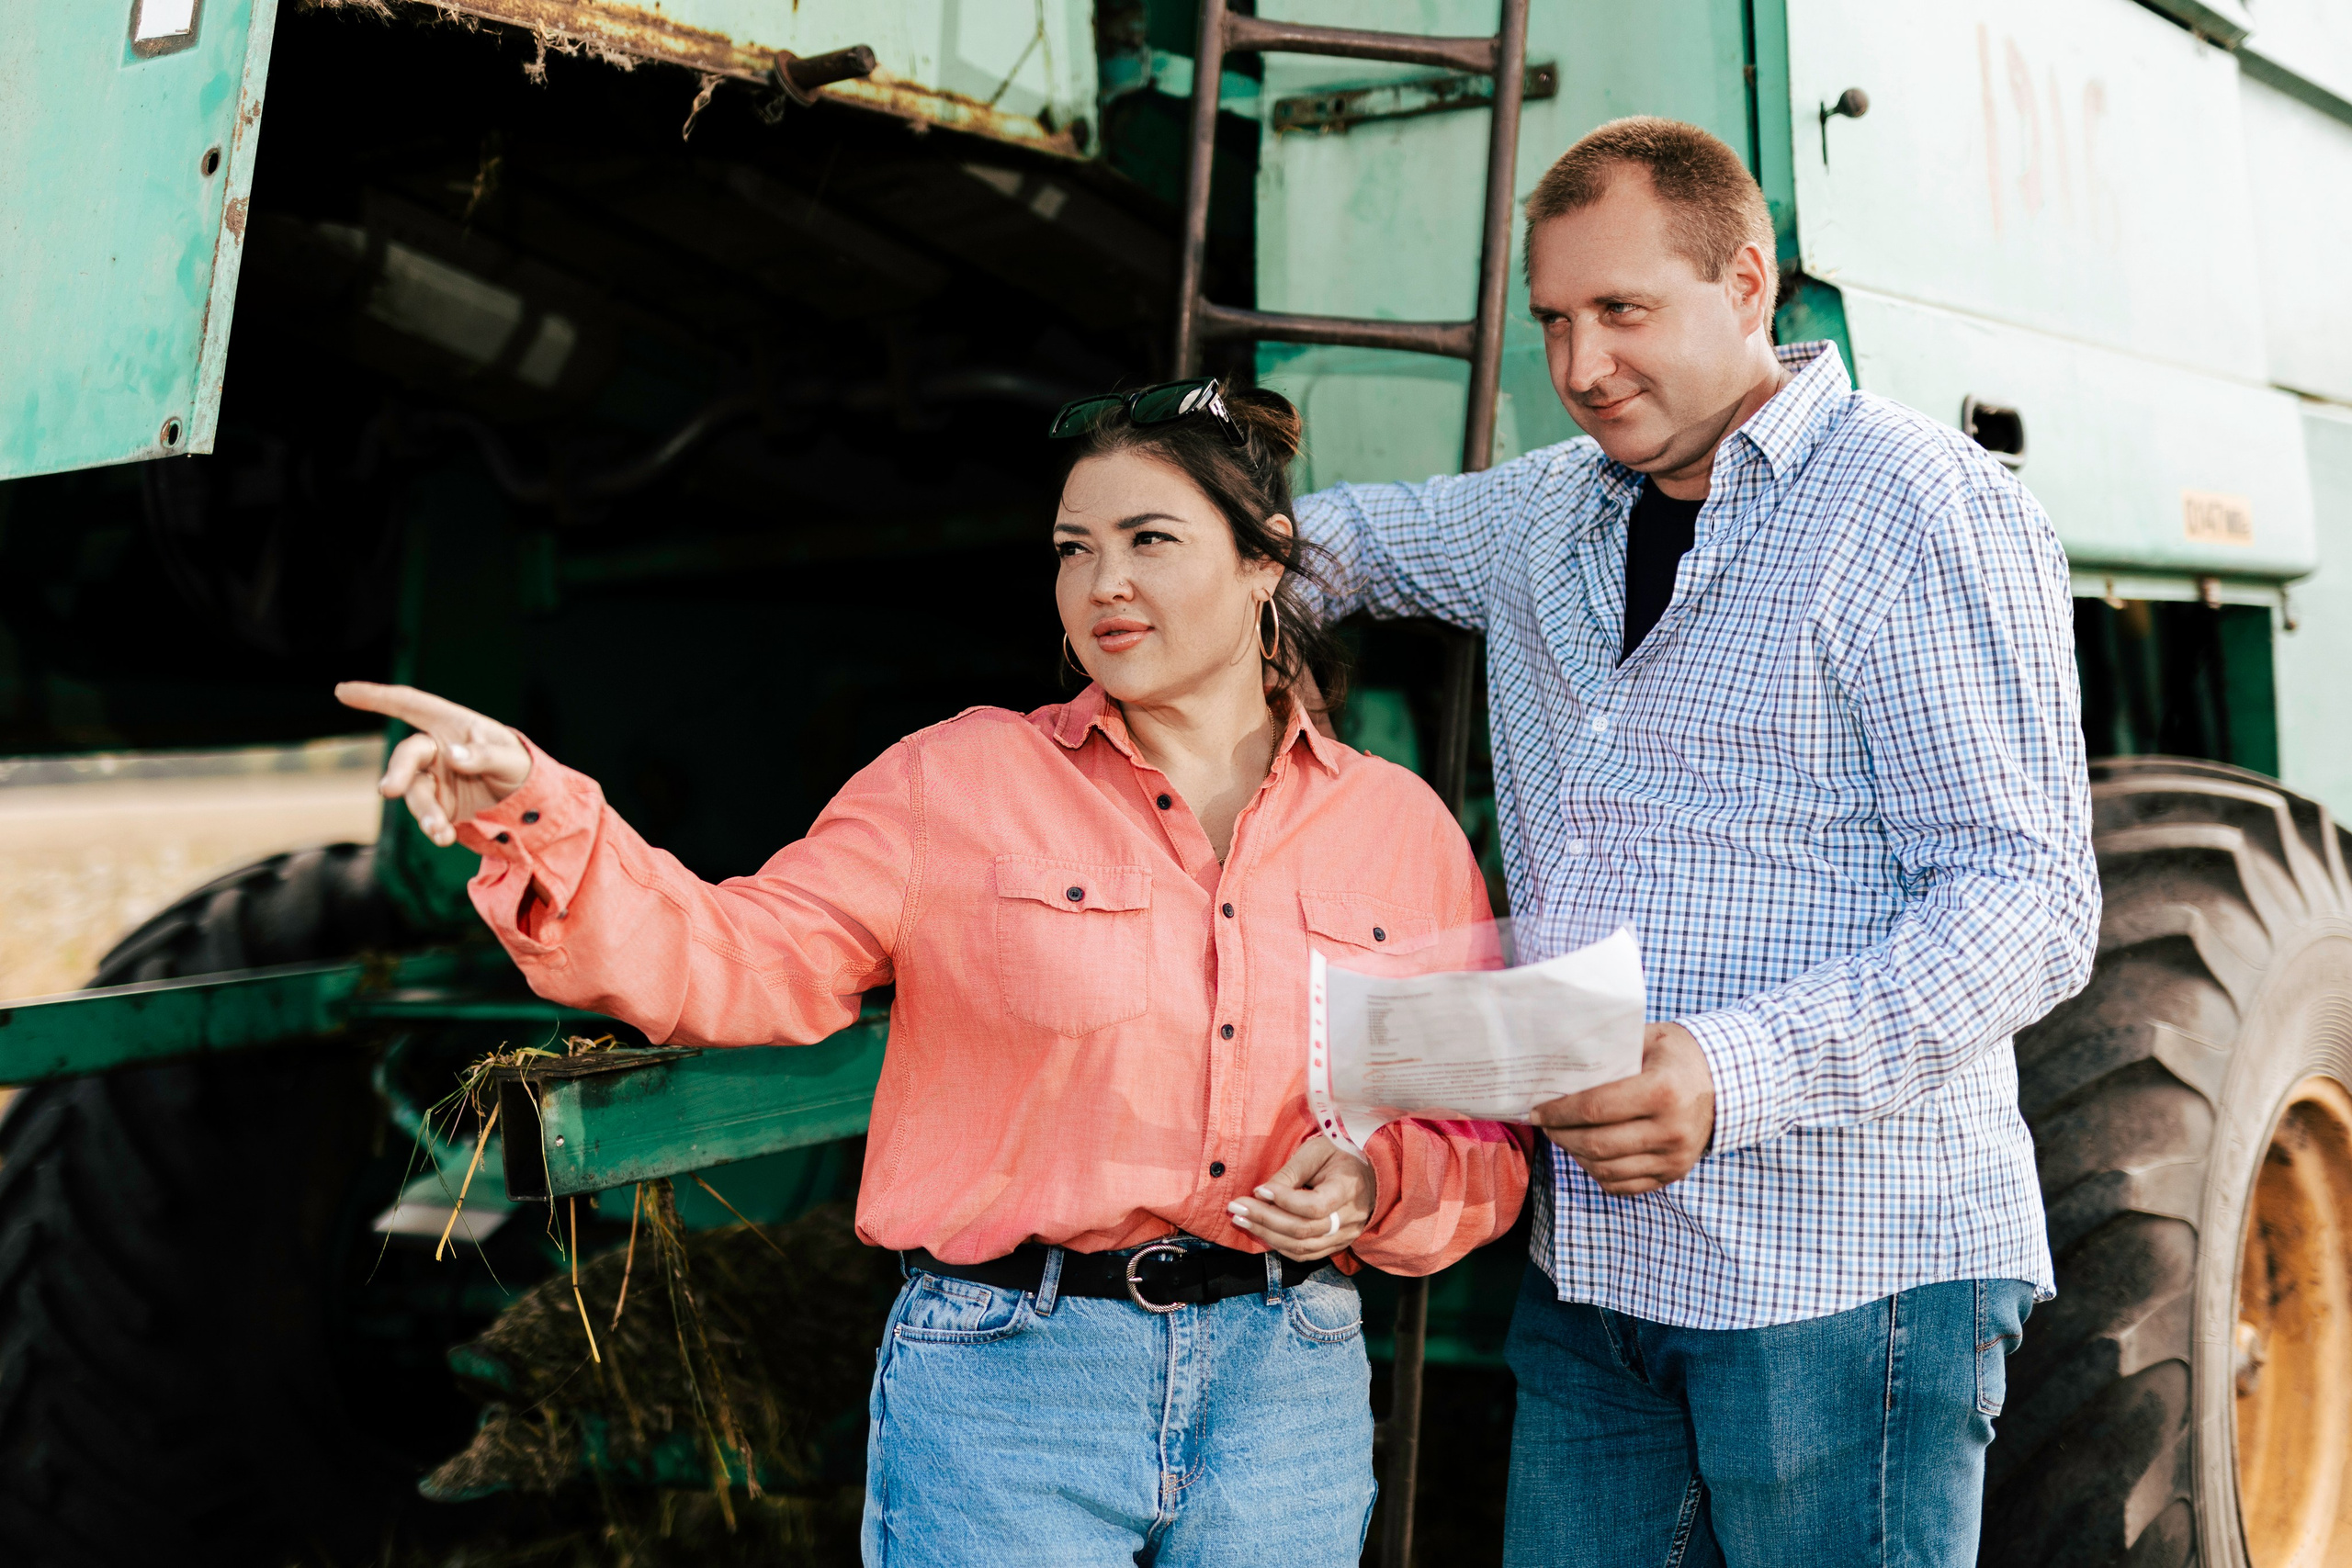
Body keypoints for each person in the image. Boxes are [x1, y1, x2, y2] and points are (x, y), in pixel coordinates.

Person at [337, 378, 1526, 1568]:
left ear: (1266, 563)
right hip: (1012, 1382)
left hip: (1289, 1393)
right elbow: (740, 958)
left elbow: (1481, 1142)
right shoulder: (955, 786)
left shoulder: (1400, 830)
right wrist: (537, 812)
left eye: (1149, 541)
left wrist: (1373, 1189)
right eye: (1075, 549)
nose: (1103, 582)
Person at [1295, 117, 2098, 1565]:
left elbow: (2029, 899)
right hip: (1600, 1269)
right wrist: (1165, 541)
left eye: (1622, 311)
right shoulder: (1548, 512)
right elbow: (1347, 541)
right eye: (1553, 320)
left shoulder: (1922, 509)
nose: (1582, 367)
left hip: (1849, 1279)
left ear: (1746, 282)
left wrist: (1732, 1074)